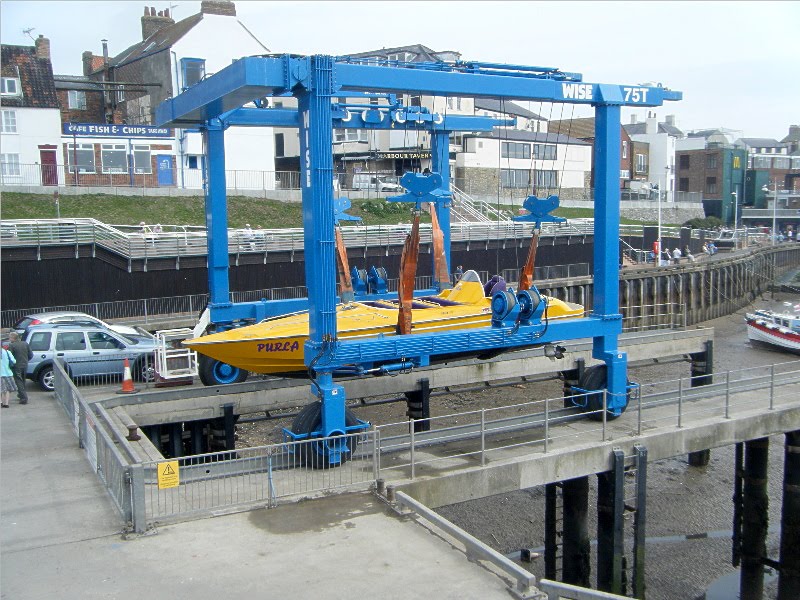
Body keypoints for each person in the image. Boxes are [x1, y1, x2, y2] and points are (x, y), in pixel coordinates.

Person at [7, 332, 32, 404]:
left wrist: (10, 366)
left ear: (12, 338)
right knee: (23, 380)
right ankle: (21, 394)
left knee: (18, 381)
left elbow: (10, 357)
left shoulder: (12, 345)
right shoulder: (25, 344)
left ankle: (24, 398)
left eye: (10, 337)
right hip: (25, 365)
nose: (9, 339)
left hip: (16, 366)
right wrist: (26, 360)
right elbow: (31, 355)